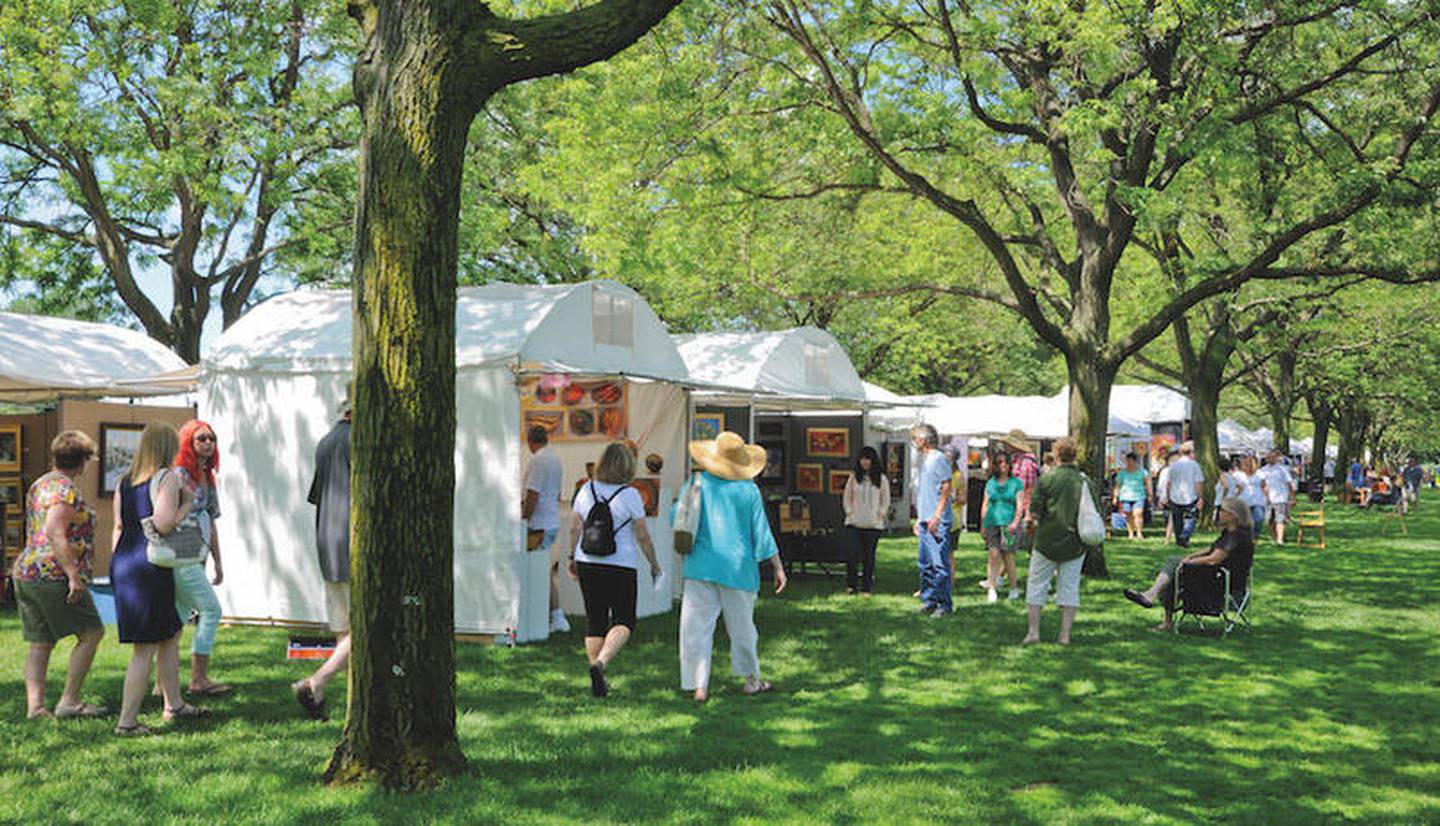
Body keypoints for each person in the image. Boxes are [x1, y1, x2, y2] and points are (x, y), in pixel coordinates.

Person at [676, 431, 787, 703]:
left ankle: (698, 685)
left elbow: (676, 518)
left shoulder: (696, 482)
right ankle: (752, 681)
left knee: (695, 629)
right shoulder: (748, 490)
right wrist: (778, 566)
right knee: (743, 629)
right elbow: (761, 533)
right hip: (737, 568)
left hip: (699, 565)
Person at [111, 423, 208, 735]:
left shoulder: (125, 481)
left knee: (169, 633)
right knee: (145, 647)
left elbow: (119, 524)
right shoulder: (165, 477)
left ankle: (174, 704)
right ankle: (127, 722)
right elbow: (164, 524)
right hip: (149, 566)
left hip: (125, 561)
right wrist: (187, 503)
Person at [12, 431, 108, 720]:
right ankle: (70, 701)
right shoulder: (64, 490)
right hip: (52, 573)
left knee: (41, 641)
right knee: (92, 632)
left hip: (26, 572)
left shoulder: (40, 484)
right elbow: (55, 530)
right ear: (81, 461)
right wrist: (74, 576)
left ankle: (36, 707)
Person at [567, 442, 661, 698]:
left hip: (587, 560)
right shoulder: (630, 494)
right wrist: (654, 563)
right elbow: (642, 536)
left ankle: (598, 680)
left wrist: (571, 556)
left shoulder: (586, 489)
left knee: (594, 620)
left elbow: (575, 527)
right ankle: (601, 664)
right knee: (624, 620)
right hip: (620, 564)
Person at [293, 392, 352, 721]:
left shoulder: (326, 442)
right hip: (353, 548)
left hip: (327, 546)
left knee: (345, 631)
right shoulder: (361, 441)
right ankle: (317, 681)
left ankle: (352, 706)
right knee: (365, 629)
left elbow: (317, 497)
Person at [1124, 497, 1255, 632]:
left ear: (1233, 515)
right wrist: (1191, 556)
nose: (1218, 513)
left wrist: (1189, 562)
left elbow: (1214, 559)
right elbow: (1212, 549)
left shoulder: (1236, 536)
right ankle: (1154, 601)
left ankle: (1153, 598)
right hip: (1215, 580)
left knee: (1174, 567)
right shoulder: (1229, 533)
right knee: (1172, 572)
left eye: (1221, 510)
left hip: (1226, 589)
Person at [169, 420, 230, 696]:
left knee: (179, 615)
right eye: (201, 439)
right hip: (182, 554)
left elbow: (212, 520)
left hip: (199, 553)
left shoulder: (208, 475)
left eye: (211, 438)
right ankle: (198, 678)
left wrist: (217, 561)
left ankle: (164, 683)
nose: (208, 443)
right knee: (211, 610)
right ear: (188, 443)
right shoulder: (181, 475)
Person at [1021, 437, 1097, 646]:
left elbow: (1034, 513)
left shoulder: (1046, 480)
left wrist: (1028, 525)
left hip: (1046, 541)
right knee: (1070, 587)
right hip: (1075, 542)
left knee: (1036, 585)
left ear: (1055, 454)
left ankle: (1033, 632)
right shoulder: (1085, 482)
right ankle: (1065, 635)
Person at [522, 425, 568, 633]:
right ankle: (553, 616)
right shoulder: (555, 459)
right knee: (545, 571)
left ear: (530, 441)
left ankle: (553, 616)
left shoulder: (537, 461)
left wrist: (524, 519)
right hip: (550, 519)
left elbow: (533, 494)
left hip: (538, 524)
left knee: (540, 573)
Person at [912, 424, 953, 617]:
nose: (914, 442)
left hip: (937, 520)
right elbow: (923, 493)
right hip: (924, 519)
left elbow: (946, 487)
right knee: (925, 563)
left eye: (915, 438)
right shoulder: (923, 461)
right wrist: (919, 519)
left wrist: (937, 515)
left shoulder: (939, 459)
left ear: (924, 440)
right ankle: (929, 600)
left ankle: (944, 604)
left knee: (939, 564)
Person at [842, 445, 890, 596]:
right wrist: (850, 512)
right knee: (851, 554)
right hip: (854, 523)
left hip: (873, 524)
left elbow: (885, 499)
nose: (865, 462)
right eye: (862, 459)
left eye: (867, 459)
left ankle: (866, 587)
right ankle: (851, 585)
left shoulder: (881, 479)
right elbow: (846, 498)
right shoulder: (853, 478)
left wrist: (880, 514)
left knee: (868, 556)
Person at [980, 453, 1024, 603]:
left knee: (1008, 556)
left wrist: (1016, 522)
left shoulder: (1016, 483)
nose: (1003, 465)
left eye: (1005, 462)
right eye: (999, 462)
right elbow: (985, 504)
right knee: (993, 555)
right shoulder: (990, 483)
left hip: (1009, 523)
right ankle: (991, 588)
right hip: (992, 522)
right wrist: (983, 524)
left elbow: (1020, 505)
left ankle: (1013, 588)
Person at [1163, 442, 1205, 548]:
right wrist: (1200, 497)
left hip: (1175, 495)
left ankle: (1179, 539)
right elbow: (1199, 482)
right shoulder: (1195, 465)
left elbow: (1169, 483)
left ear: (1180, 453)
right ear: (1191, 452)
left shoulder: (1173, 466)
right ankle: (1185, 535)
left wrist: (1168, 496)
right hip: (1190, 495)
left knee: (1177, 520)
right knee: (1191, 518)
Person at [1112, 452, 1151, 541]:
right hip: (1125, 497)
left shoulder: (1142, 472)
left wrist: (1150, 495)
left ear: (1134, 461)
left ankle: (1139, 533)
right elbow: (1117, 485)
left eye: (1130, 461)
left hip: (1139, 496)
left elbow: (1148, 484)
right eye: (1127, 461)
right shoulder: (1122, 473)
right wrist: (1115, 497)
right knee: (1128, 515)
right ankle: (1130, 533)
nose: (1128, 463)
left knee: (1138, 514)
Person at [1260, 451, 1296, 544]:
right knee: (1270, 520)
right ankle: (1275, 537)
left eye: (1272, 457)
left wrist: (1292, 497)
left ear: (1276, 458)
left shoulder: (1282, 469)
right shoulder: (1263, 470)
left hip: (1281, 498)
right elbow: (1262, 484)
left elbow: (1290, 484)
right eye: (1268, 457)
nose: (1270, 459)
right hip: (1268, 499)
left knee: (1280, 519)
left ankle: (1280, 539)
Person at [1238, 455, 1268, 540]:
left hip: (1258, 501)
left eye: (1251, 464)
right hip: (1243, 501)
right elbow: (1236, 487)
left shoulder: (1260, 474)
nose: (1249, 466)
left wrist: (1267, 497)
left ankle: (1254, 537)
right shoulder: (1239, 475)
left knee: (1259, 519)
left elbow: (1264, 486)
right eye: (1247, 464)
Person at [1212, 456, 1243, 523]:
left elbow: (1226, 486)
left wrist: (1223, 496)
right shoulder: (1232, 476)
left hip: (1222, 502)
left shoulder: (1222, 476)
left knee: (1221, 521)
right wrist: (1235, 495)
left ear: (1218, 467)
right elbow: (1241, 487)